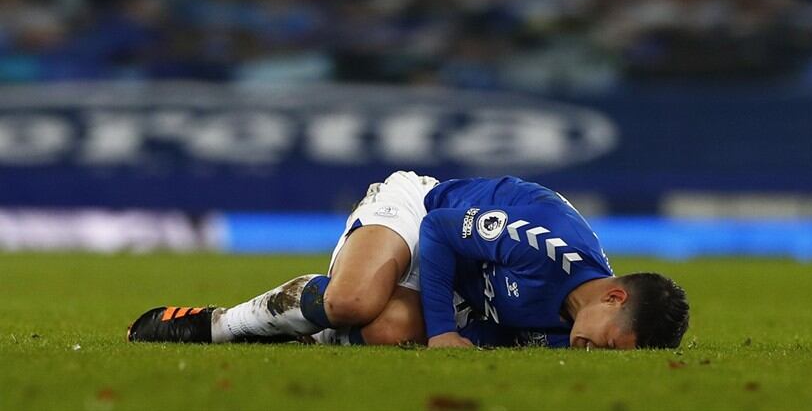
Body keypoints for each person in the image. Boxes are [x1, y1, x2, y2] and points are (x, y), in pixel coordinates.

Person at [127, 172, 689, 349]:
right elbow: (442, 229)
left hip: (463, 271)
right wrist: (442, 330)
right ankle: (216, 325)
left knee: (389, 329)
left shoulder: (564, 327)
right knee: (353, 301)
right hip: (420, 211)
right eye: (610, 343)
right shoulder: (548, 245)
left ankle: (308, 331)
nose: (593, 354)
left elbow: (492, 339)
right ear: (615, 297)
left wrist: (446, 333)